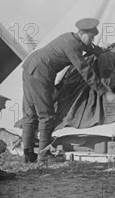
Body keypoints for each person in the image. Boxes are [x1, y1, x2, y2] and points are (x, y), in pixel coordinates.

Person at [21, 18, 106, 163]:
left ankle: (28, 154)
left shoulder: (71, 38)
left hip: (30, 67)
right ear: (82, 33)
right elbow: (85, 70)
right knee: (46, 115)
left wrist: (100, 50)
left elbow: (87, 47)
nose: (92, 39)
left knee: (30, 114)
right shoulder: (72, 45)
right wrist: (103, 91)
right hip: (40, 73)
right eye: (91, 36)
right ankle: (44, 154)